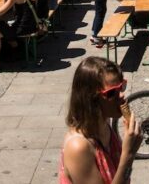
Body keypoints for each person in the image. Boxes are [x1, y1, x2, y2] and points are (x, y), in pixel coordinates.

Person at [59, 56, 142, 184]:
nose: (121, 95)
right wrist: (129, 154)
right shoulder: (78, 147)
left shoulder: (104, 124)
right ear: (91, 100)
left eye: (122, 86)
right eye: (111, 93)